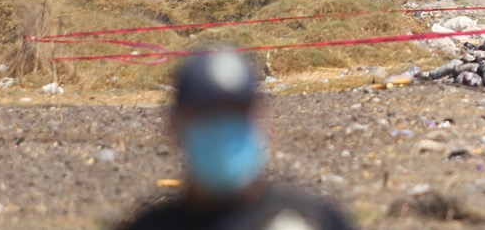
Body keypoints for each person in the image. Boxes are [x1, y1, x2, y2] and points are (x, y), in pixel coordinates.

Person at [117, 51, 356, 230]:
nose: (222, 127)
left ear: (264, 121)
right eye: (206, 115)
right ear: (173, 125)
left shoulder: (315, 221)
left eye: (236, 113)